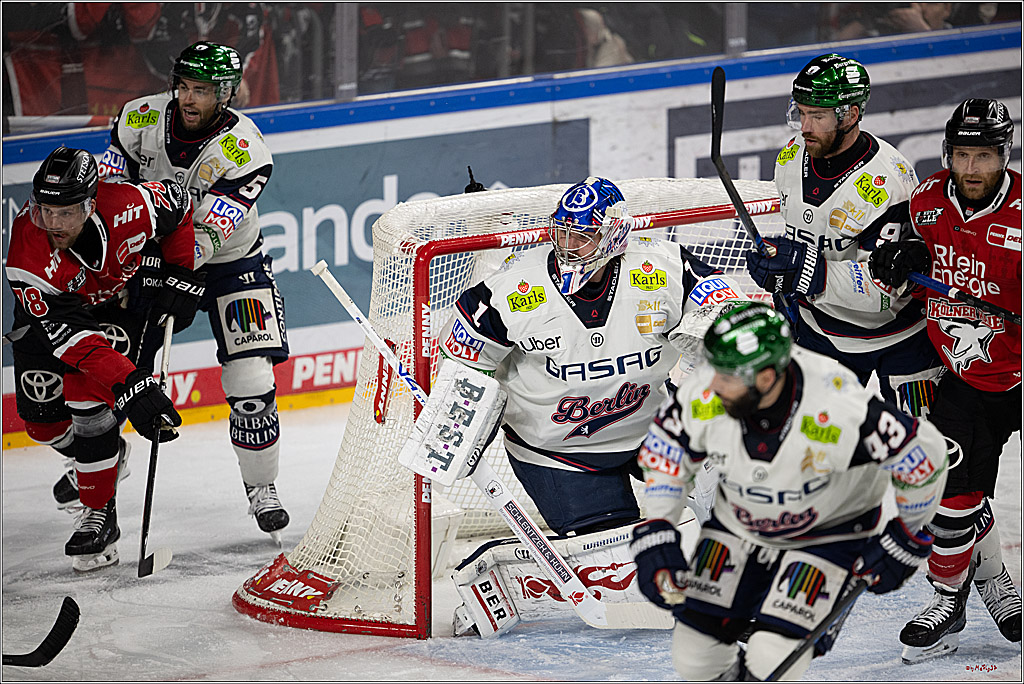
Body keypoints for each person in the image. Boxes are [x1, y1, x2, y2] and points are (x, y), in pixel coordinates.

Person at [629, 301, 948, 680]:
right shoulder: (708, 389)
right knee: (696, 657)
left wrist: (906, 536)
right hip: (740, 525)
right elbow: (669, 455)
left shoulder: (837, 402)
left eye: (728, 376)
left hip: (827, 535)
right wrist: (658, 530)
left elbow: (924, 455)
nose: (712, 385)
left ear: (766, 378)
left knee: (773, 658)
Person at [435, 176, 746, 538]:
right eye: (562, 232)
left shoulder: (664, 266)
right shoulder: (512, 287)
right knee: (614, 557)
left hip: (653, 427)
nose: (568, 246)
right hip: (560, 450)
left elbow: (732, 316)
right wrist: (464, 427)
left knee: (743, 499)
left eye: (583, 236)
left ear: (613, 235)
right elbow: (463, 359)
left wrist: (711, 341)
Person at [96, 40, 290, 539]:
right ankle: (101, 461)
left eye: (201, 89)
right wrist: (144, 268)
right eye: (183, 85)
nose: (187, 97)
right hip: (148, 258)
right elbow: (110, 197)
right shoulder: (138, 119)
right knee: (119, 366)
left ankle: (261, 487)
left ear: (224, 93)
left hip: (229, 262)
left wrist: (175, 273)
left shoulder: (245, 150)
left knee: (250, 379)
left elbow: (209, 232)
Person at [868, 98, 1022, 661]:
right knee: (953, 495)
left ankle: (994, 582)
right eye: (963, 155)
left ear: (1003, 155)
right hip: (964, 380)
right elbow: (880, 247)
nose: (973, 168)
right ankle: (949, 599)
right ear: (948, 156)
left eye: (984, 155)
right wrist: (894, 257)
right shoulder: (929, 201)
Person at [5, 146, 201, 572]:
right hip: (57, 315)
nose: (52, 223)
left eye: (65, 212)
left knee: (86, 401)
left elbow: (181, 206)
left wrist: (182, 275)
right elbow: (77, 344)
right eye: (44, 211)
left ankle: (99, 514)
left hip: (118, 305)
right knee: (41, 422)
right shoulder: (28, 257)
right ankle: (105, 456)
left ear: (91, 203)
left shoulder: (130, 205)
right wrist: (134, 384)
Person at [745, 53, 943, 417]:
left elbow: (884, 291)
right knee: (816, 456)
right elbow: (804, 237)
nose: (805, 127)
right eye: (800, 113)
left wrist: (805, 271)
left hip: (898, 339)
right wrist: (780, 274)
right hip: (819, 333)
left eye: (817, 116)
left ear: (850, 115)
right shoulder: (790, 158)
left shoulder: (886, 182)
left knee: (923, 456)